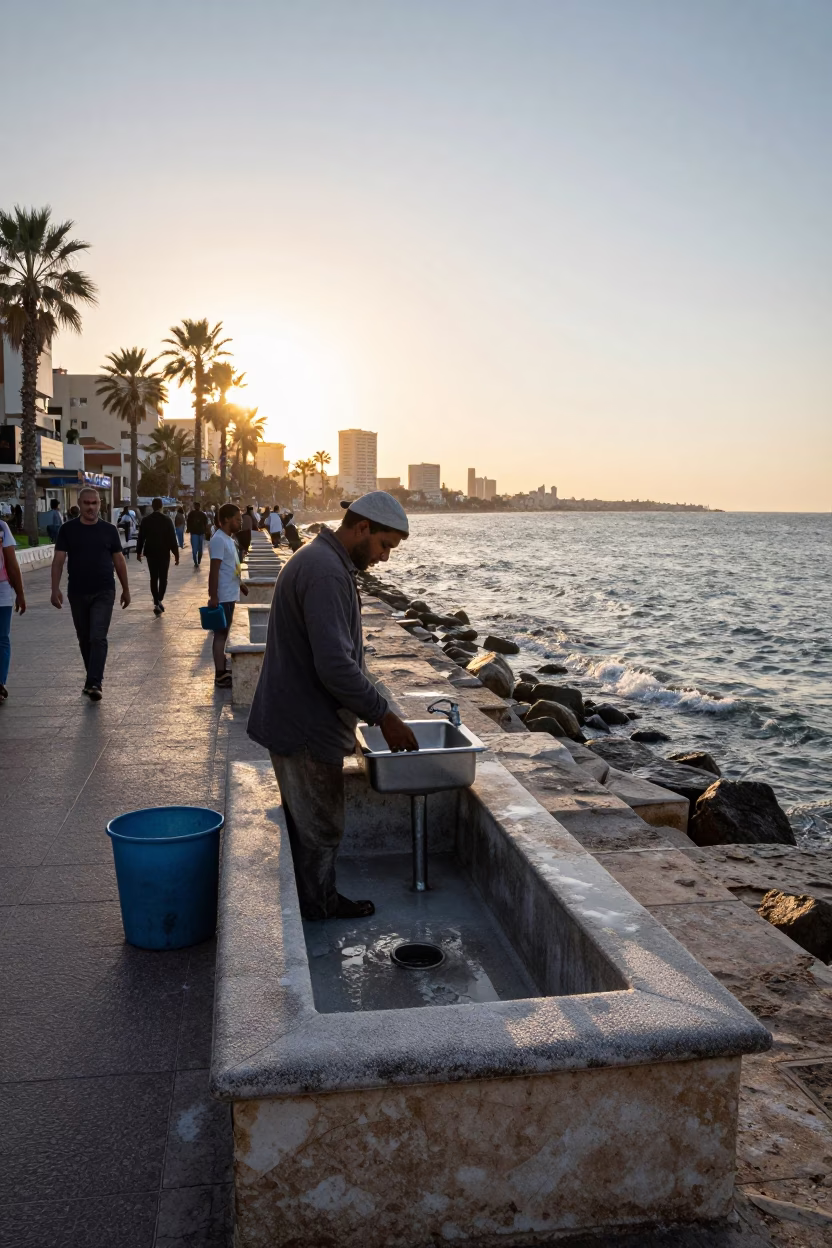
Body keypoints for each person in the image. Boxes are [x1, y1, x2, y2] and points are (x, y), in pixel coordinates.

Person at [247, 491, 418, 921]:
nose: (383, 557)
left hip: (299, 718)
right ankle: (318, 911)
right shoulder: (325, 573)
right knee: (320, 827)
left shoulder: (322, 561)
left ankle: (315, 901)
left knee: (311, 826)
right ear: (362, 528)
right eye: (384, 545)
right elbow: (336, 668)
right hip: (305, 727)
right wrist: (385, 715)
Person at [52, 486, 130, 701]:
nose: (90, 507)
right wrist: (54, 588)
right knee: (84, 637)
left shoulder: (109, 530)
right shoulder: (68, 529)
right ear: (79, 504)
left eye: (94, 503)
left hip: (104, 590)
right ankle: (91, 678)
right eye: (86, 503)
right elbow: (58, 560)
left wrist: (126, 589)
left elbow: (119, 561)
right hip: (77, 591)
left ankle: (95, 682)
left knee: (98, 636)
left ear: (100, 504)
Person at [207, 502, 248, 687]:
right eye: (237, 520)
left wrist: (240, 583)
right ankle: (220, 674)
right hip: (222, 595)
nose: (240, 523)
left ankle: (223, 668)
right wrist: (213, 596)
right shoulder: (218, 540)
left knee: (224, 633)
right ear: (226, 520)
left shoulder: (229, 539)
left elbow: (232, 566)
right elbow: (214, 569)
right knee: (220, 634)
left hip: (230, 593)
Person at [136, 497, 180, 615]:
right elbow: (172, 539)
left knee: (154, 578)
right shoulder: (167, 520)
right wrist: (176, 554)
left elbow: (141, 537)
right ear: (161, 507)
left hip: (151, 553)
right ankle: (160, 599)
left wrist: (138, 552)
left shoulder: (146, 520)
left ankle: (156, 601)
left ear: (152, 506)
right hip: (164, 553)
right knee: (163, 578)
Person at [0, 515, 26, 701]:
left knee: (2, 638)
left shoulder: (1, 527)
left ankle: (0, 683)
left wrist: (19, 592)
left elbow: (11, 563)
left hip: (2, 591)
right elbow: (11, 563)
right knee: (1, 639)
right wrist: (20, 594)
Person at [186, 501, 210, 568]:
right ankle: (197, 562)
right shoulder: (200, 514)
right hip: (198, 533)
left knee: (197, 549)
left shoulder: (193, 514)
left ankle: (197, 561)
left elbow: (188, 522)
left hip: (197, 533)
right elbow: (206, 523)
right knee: (197, 549)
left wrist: (188, 529)